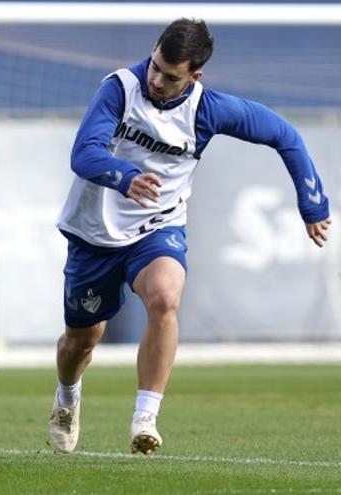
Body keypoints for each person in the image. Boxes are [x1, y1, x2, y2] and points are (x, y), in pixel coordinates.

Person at [50, 18, 331, 456]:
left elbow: (285, 135)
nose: (157, 79)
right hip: (95, 233)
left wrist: (312, 205)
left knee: (165, 298)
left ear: (195, 77)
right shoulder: (119, 89)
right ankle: (67, 395)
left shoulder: (208, 110)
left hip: (157, 227)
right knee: (81, 341)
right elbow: (84, 152)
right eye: (155, 66)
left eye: (170, 75)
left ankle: (145, 416)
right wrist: (125, 177)